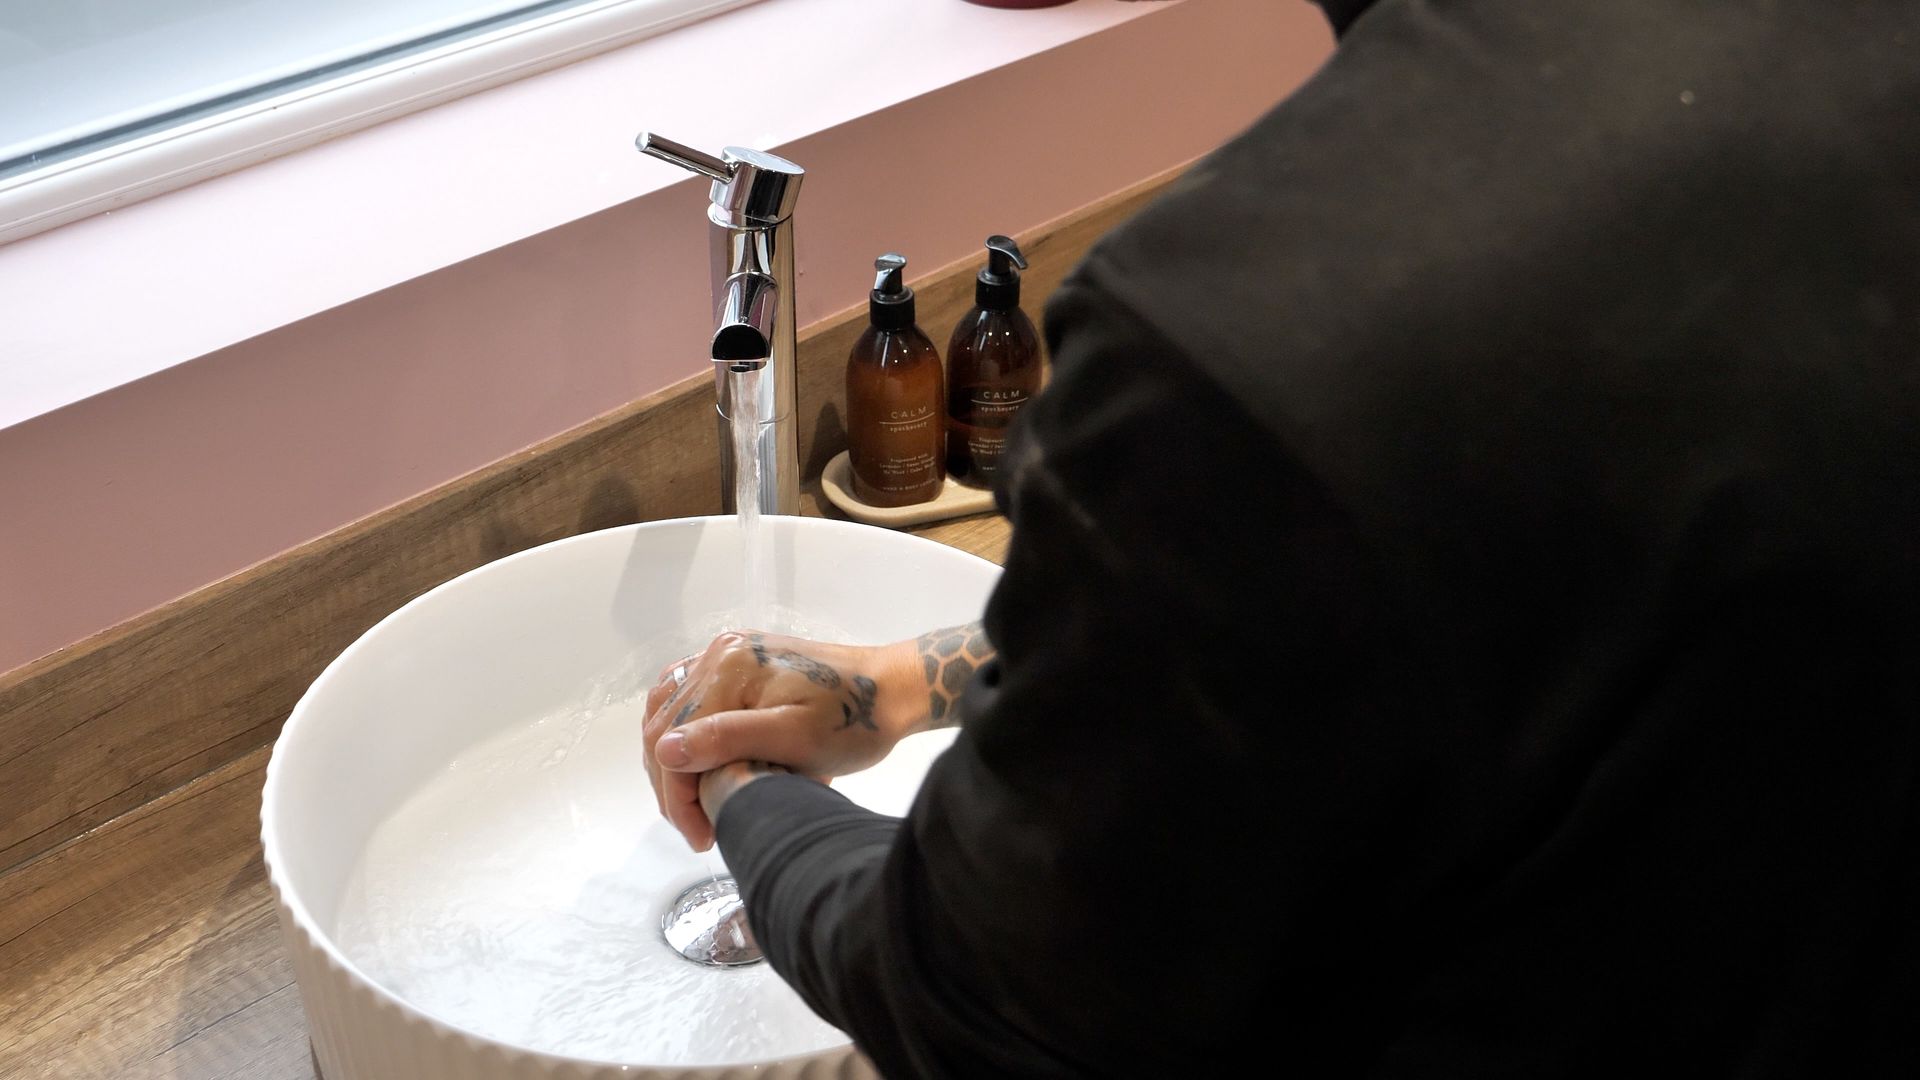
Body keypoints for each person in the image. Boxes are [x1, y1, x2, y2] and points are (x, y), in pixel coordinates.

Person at [642, 1, 1920, 1075]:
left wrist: (745, 792)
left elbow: (985, 1000)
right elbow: (1503, 570)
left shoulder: (1260, 329)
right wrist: (904, 683)